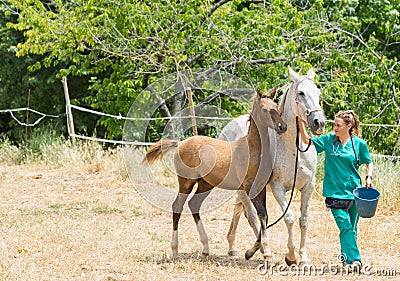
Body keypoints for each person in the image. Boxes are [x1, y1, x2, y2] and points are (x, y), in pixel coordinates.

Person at [311, 110, 373, 271]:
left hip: (354, 191)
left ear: (349, 126)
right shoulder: (328, 140)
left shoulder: (359, 144)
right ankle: (356, 260)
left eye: (338, 125)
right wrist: (299, 125)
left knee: (351, 228)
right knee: (344, 225)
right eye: (334, 125)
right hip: (333, 192)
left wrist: (369, 177)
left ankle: (345, 260)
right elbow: (307, 144)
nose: (335, 128)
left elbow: (368, 161)